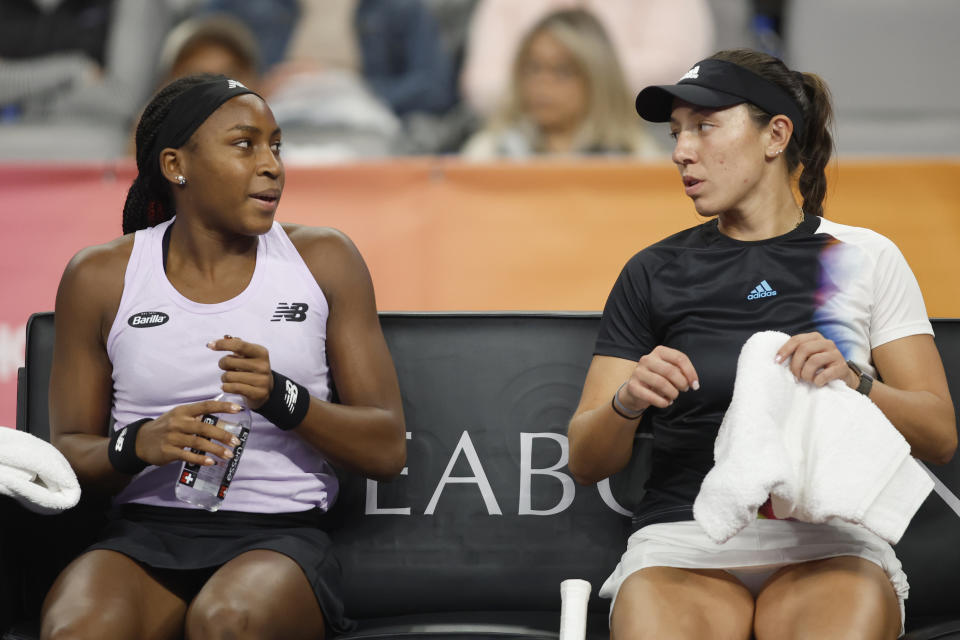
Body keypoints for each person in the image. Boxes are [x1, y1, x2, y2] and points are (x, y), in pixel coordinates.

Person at [567, 49, 957, 639]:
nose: (681, 151)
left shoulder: (865, 257)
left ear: (775, 135)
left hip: (831, 541)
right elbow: (585, 459)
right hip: (682, 538)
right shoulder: (652, 270)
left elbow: (940, 436)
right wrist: (628, 400)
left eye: (704, 126)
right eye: (676, 134)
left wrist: (856, 381)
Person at [40, 73, 406, 639]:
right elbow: (65, 457)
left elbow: (386, 447)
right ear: (175, 165)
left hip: (280, 538)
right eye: (244, 144)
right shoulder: (99, 276)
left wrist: (282, 398)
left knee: (227, 622)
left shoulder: (326, 260)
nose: (272, 165)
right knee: (78, 628)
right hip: (142, 535)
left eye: (276, 145)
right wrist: (138, 444)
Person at [461, 9, 660, 160]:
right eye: (533, 68)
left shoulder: (637, 155)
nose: (542, 82)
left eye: (563, 71)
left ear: (598, 80)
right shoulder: (489, 152)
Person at [459, 0, 714, 118]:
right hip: (522, 132)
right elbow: (482, 86)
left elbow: (679, 69)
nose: (548, 82)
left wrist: (584, 77)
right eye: (537, 69)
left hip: (638, 128)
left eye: (561, 73)